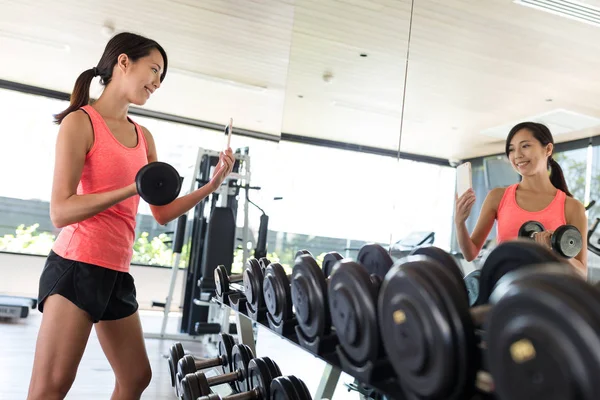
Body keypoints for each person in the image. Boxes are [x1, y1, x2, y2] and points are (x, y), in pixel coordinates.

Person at [27, 32, 235, 400]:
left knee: (136, 377)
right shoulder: (81, 122)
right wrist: (131, 188)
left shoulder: (144, 136)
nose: (156, 82)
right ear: (124, 62)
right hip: (75, 268)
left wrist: (213, 184)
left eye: (161, 77)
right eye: (154, 70)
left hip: (116, 272)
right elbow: (60, 211)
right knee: (51, 388)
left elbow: (162, 212)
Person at [455, 121, 587, 278]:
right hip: (503, 291)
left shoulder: (572, 207)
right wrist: (459, 222)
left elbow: (582, 273)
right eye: (511, 149)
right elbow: (471, 253)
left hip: (545, 292)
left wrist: (556, 251)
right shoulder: (498, 197)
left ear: (548, 149)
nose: (517, 155)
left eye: (525, 146)